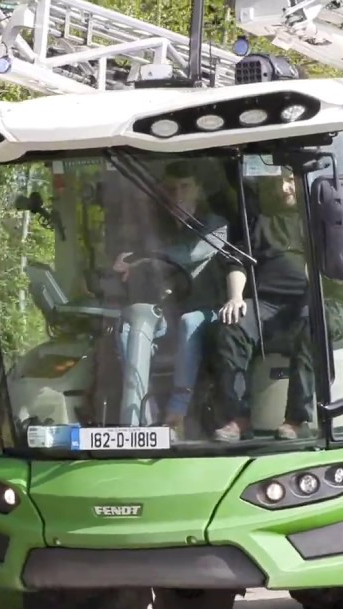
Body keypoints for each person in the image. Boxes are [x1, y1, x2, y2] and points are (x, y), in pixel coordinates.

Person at [113, 160, 227, 432]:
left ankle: (177, 412)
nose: (177, 195)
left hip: (210, 311)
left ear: (198, 190)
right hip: (167, 311)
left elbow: (189, 254)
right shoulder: (157, 229)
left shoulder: (215, 224)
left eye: (184, 187)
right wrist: (127, 266)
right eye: (171, 189)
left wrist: (141, 258)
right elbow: (138, 266)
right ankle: (142, 418)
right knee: (127, 327)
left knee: (189, 320)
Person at [208, 169, 316, 442]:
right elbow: (237, 261)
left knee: (313, 322)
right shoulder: (260, 223)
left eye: (290, 180)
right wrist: (235, 298)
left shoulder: (318, 220)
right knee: (232, 324)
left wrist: (313, 294)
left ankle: (297, 420)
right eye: (278, 182)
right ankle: (238, 419)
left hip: (314, 302)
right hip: (265, 303)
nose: (284, 188)